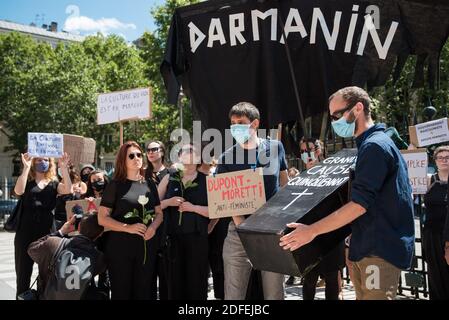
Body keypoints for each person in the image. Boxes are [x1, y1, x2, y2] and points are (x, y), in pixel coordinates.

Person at [280, 86, 415, 300]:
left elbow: (359, 205)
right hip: (367, 248)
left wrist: (311, 231)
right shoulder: (369, 145)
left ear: (358, 108)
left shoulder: (375, 147)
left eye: (337, 115)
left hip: (378, 250)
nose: (334, 122)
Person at [216, 102, 289, 300]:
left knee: (275, 294)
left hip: (272, 231)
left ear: (255, 123)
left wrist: (281, 218)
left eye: (241, 122)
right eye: (232, 123)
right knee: (233, 296)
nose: (235, 127)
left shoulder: (275, 148)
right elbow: (228, 199)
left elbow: (284, 183)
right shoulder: (226, 158)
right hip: (239, 232)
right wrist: (244, 227)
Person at [98, 141, 163, 300]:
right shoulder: (115, 185)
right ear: (123, 160)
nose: (137, 158)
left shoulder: (149, 183)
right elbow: (102, 218)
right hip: (120, 248)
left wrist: (153, 227)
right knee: (122, 293)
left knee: (145, 292)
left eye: (139, 155)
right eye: (131, 156)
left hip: (146, 247)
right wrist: (128, 227)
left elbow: (159, 213)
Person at [13, 152, 72, 298]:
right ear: (33, 162)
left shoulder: (54, 183)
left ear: (50, 163)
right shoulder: (27, 181)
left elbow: (68, 190)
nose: (42, 162)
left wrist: (64, 168)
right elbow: (18, 191)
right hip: (25, 234)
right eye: (38, 160)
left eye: (45, 160)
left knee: (47, 276)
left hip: (47, 234)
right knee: (23, 276)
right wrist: (26, 168)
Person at [158, 143, 210, 300]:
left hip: (198, 238)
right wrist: (169, 202)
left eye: (192, 151)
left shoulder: (207, 180)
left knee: (197, 281)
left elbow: (216, 211)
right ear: (179, 157)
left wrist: (193, 208)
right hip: (173, 239)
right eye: (184, 151)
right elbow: (153, 206)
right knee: (175, 282)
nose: (188, 154)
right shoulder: (169, 177)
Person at [27, 213, 106, 300]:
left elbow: (31, 249)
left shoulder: (53, 243)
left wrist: (61, 232)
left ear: (79, 226)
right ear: (100, 233)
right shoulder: (99, 258)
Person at [145, 140, 171, 300]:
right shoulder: (141, 174)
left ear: (162, 151)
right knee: (147, 278)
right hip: (146, 229)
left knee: (166, 277)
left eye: (154, 149)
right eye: (147, 150)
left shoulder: (172, 172)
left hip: (166, 229)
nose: (150, 152)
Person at [423, 146, 449, 299]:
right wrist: (412, 150)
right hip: (431, 235)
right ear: (435, 161)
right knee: (434, 275)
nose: (444, 160)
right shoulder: (428, 179)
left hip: (447, 233)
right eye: (441, 157)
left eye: (447, 157)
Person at [54, 165, 87, 229]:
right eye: (59, 169)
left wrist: (77, 192)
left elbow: (84, 199)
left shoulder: (81, 184)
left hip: (75, 216)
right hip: (59, 217)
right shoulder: (57, 183)